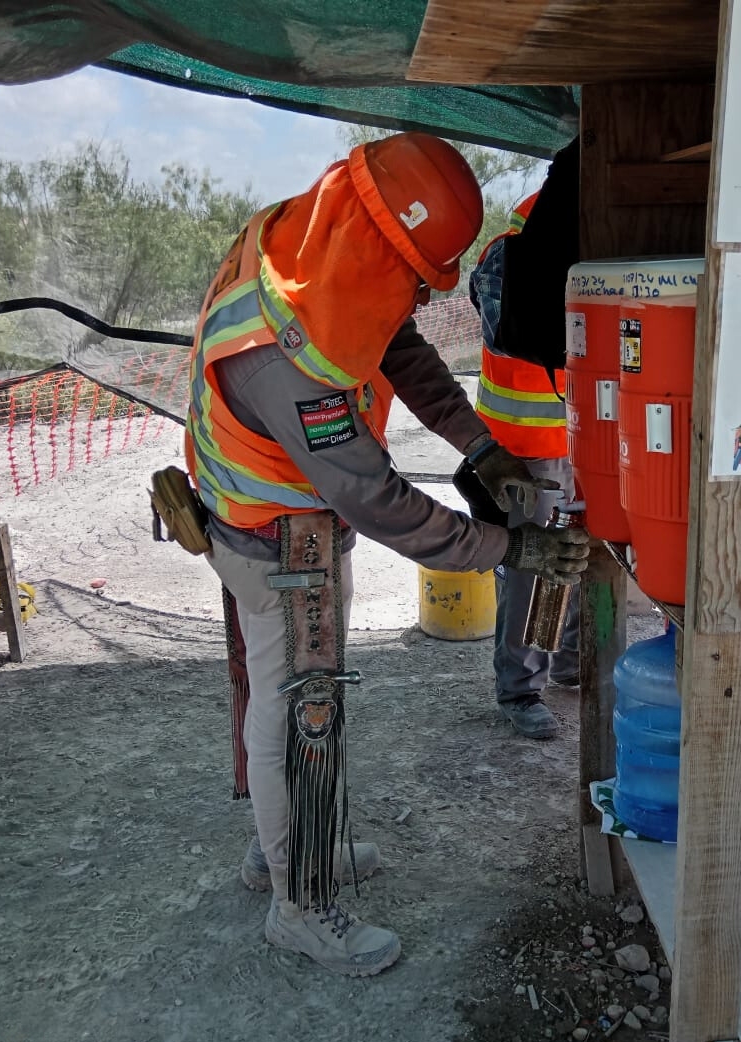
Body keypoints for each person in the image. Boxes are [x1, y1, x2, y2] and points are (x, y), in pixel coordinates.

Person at [185, 132, 591, 977]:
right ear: (383, 246)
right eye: (416, 274)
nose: (413, 292)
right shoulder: (287, 355)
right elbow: (378, 500)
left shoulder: (304, 245)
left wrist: (480, 448)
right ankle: (299, 904)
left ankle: (282, 848)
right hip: (273, 536)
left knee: (293, 702)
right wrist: (506, 546)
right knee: (300, 711)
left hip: (273, 515)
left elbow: (399, 348)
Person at [470, 191, 580, 740]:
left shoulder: (568, 251)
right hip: (526, 446)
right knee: (535, 565)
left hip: (584, 440)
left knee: (584, 550)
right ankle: (521, 688)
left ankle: (572, 660)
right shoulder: (512, 260)